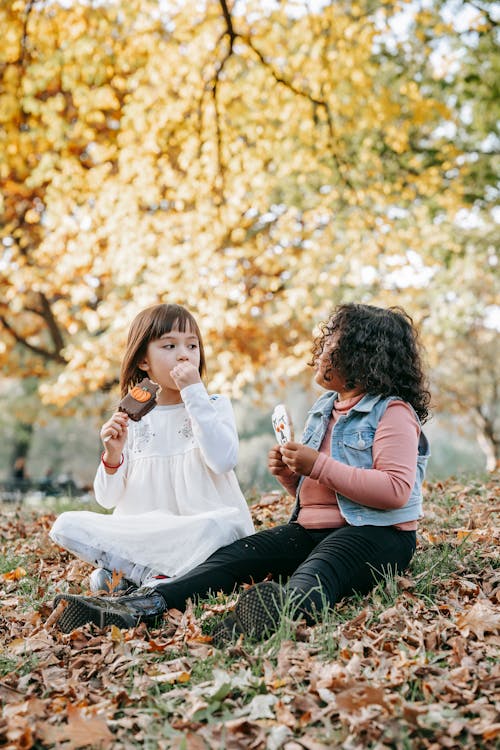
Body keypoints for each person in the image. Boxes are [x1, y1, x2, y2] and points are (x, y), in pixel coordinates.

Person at [52, 303, 430, 640]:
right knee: (233, 558)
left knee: (320, 572)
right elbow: (326, 492)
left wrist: (318, 465)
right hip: (311, 529)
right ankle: (138, 607)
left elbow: (395, 490)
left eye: (331, 342)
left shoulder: (392, 412)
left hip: (375, 535)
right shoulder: (326, 407)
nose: (321, 348)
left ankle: (274, 613)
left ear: (362, 356)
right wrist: (292, 477)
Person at [49, 303, 254, 595]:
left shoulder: (213, 406)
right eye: (170, 345)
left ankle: (135, 575)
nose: (184, 354)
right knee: (65, 524)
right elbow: (107, 498)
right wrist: (113, 454)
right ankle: (149, 572)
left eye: (192, 345)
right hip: (146, 533)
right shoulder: (133, 418)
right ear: (144, 361)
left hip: (197, 532)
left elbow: (222, 460)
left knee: (219, 528)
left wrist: (194, 393)